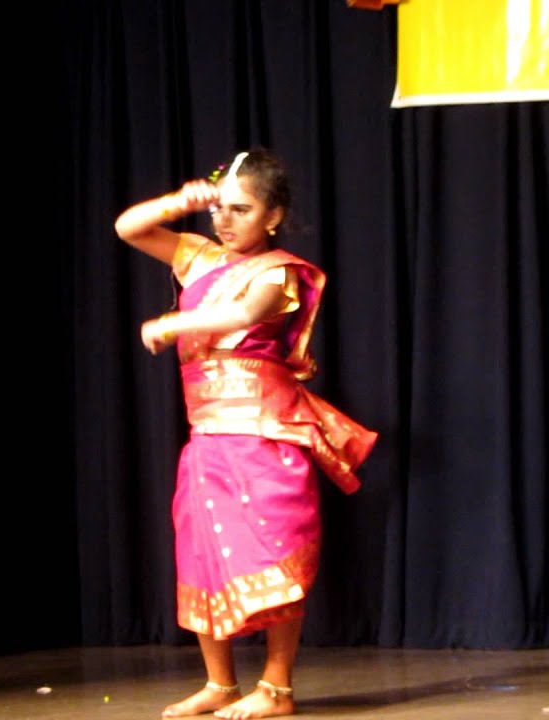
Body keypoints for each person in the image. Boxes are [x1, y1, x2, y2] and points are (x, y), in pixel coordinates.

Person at [115, 148, 378, 719]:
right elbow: (127, 228)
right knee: (205, 555)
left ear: (273, 216)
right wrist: (182, 201)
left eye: (241, 209)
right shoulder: (199, 258)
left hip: (266, 435)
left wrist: (173, 322)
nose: (225, 221)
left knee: (273, 552)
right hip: (208, 437)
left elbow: (244, 315)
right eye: (220, 209)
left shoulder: (279, 270)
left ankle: (276, 688)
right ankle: (220, 682)